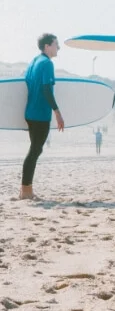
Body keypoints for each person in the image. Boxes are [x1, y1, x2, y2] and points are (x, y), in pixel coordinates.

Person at [20, 33, 65, 200]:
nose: (58, 48)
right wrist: (58, 112)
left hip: (30, 113)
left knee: (35, 149)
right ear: (47, 46)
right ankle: (26, 191)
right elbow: (47, 89)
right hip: (40, 114)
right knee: (35, 150)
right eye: (56, 44)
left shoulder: (34, 62)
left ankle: (25, 189)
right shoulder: (47, 63)